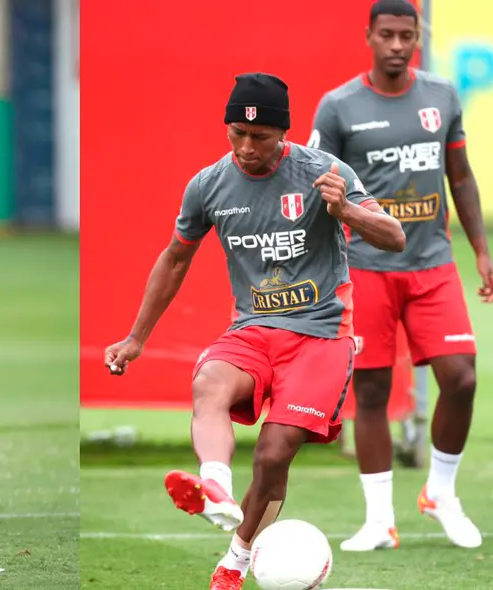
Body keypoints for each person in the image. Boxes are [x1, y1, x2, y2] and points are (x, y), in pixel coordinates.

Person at [104, 73, 405, 590]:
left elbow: (395, 237)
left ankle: (236, 559)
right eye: (236, 134)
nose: (246, 147)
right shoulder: (208, 185)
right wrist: (136, 337)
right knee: (209, 385)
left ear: (282, 134)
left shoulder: (325, 172)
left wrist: (346, 210)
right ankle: (216, 488)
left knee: (273, 453)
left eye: (260, 137)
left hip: (321, 334)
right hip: (253, 329)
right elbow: (176, 259)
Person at [307, 0, 493, 551]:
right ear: (368, 35)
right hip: (366, 268)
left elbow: (459, 177)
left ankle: (440, 492)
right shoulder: (338, 107)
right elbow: (320, 190)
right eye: (387, 34)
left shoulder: (441, 96)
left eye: (406, 35)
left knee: (461, 377)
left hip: (433, 264)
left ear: (419, 36)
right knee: (371, 390)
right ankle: (378, 521)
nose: (397, 44)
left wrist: (481, 252)